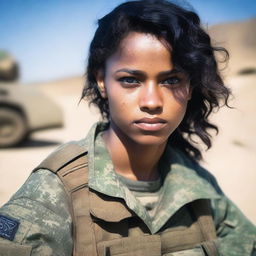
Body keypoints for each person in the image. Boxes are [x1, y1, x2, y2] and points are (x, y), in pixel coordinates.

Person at [0, 0, 255, 255]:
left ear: (190, 87)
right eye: (130, 80)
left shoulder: (198, 186)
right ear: (102, 81)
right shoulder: (55, 191)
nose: (152, 102)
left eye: (172, 80)